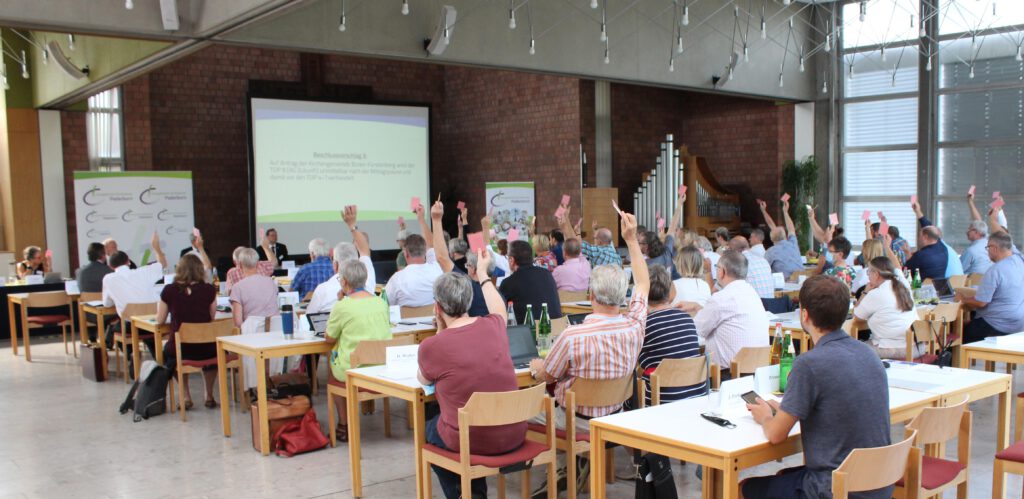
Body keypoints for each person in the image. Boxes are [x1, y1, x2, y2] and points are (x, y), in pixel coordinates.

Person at [528, 209, 649, 496]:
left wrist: (535, 367)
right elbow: (643, 283)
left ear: (591, 296)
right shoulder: (634, 326)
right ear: (622, 296)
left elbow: (547, 376)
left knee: (525, 411)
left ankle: (562, 468)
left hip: (576, 420)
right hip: (614, 412)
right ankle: (576, 463)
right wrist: (630, 240)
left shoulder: (572, 335)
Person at [743, 275, 892, 499]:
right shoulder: (868, 354)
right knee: (786, 475)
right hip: (878, 482)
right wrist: (787, 408)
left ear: (804, 315)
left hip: (836, 487)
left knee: (743, 487)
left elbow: (775, 435)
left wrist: (765, 416)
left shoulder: (809, 364)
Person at [417, 248, 519, 499]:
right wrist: (483, 273)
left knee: (429, 425)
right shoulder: (495, 326)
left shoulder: (432, 346)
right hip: (513, 431)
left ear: (437, 308)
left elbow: (423, 379)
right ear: (469, 302)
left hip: (470, 438)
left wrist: (440, 329)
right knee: (460, 419)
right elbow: (498, 307)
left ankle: (467, 495)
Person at [326, 259, 392, 441]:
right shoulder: (380, 302)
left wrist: (340, 301)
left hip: (355, 370)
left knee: (331, 370)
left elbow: (329, 337)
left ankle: (343, 425)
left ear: (344, 282)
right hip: (381, 366)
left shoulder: (342, 306)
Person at [676, 250, 768, 375]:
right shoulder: (752, 294)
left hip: (726, 376)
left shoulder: (721, 298)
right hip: (757, 372)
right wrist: (698, 308)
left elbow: (697, 329)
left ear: (722, 271)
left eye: (716, 267)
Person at [157, 254, 218, 409]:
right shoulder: (209, 290)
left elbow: (160, 320)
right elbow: (211, 316)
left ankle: (185, 396)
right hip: (207, 348)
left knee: (170, 353)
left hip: (181, 348)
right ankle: (209, 395)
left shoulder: (169, 290)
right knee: (214, 351)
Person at [637, 264, 702, 406]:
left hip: (663, 398)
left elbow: (636, 360)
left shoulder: (644, 325)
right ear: (671, 292)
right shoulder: (687, 318)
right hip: (697, 394)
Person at [102, 232, 168, 368]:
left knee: (115, 329)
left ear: (111, 266)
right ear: (128, 261)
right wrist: (156, 248)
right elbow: (163, 264)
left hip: (130, 327)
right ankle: (160, 360)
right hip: (152, 322)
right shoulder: (143, 272)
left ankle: (132, 354)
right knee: (148, 334)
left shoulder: (108, 279)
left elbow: (106, 304)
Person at [228, 247, 281, 393]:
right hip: (275, 340)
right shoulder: (271, 283)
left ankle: (254, 388)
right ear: (258, 264)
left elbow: (238, 322)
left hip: (253, 342)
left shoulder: (237, 288)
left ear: (240, 266)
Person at [307, 206, 377, 314]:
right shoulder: (367, 278)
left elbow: (309, 318)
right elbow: (364, 250)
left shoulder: (323, 290)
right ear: (357, 259)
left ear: (335, 265)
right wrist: (352, 225)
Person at [958, 231, 1024, 343]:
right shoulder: (1020, 260)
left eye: (987, 247)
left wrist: (963, 298)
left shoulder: (995, 270)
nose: (987, 251)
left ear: (994, 248)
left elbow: (981, 302)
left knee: (957, 334)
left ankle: (956, 360)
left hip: (996, 324)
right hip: (1019, 324)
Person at [429, 201, 488, 317]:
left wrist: (436, 220)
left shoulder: (467, 288)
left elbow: (441, 257)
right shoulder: (498, 295)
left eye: (468, 265)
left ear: (473, 269)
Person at [853, 257, 919, 359]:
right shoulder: (904, 285)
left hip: (893, 348)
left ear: (876, 274)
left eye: (869, 272)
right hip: (915, 346)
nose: (868, 276)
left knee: (852, 350)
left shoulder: (876, 293)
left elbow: (856, 316)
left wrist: (865, 292)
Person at [499, 240, 563, 323]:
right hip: (556, 328)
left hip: (529, 332)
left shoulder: (508, 283)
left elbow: (499, 312)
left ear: (511, 260)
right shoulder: (547, 274)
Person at [384, 230, 443, 307]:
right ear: (425, 252)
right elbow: (431, 246)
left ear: (406, 254)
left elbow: (385, 303)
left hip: (404, 319)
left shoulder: (397, 279)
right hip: (433, 318)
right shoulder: (437, 271)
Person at [556, 204, 622, 268]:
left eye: (594, 238)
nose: (594, 240)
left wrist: (566, 220)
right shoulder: (617, 256)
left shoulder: (598, 252)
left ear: (599, 241)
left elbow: (575, 244)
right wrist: (578, 233)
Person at [759, 199, 804, 279]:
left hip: (785, 285)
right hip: (802, 281)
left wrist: (763, 211)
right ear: (785, 236)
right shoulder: (792, 244)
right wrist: (785, 212)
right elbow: (791, 228)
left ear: (772, 240)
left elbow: (763, 270)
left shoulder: (771, 252)